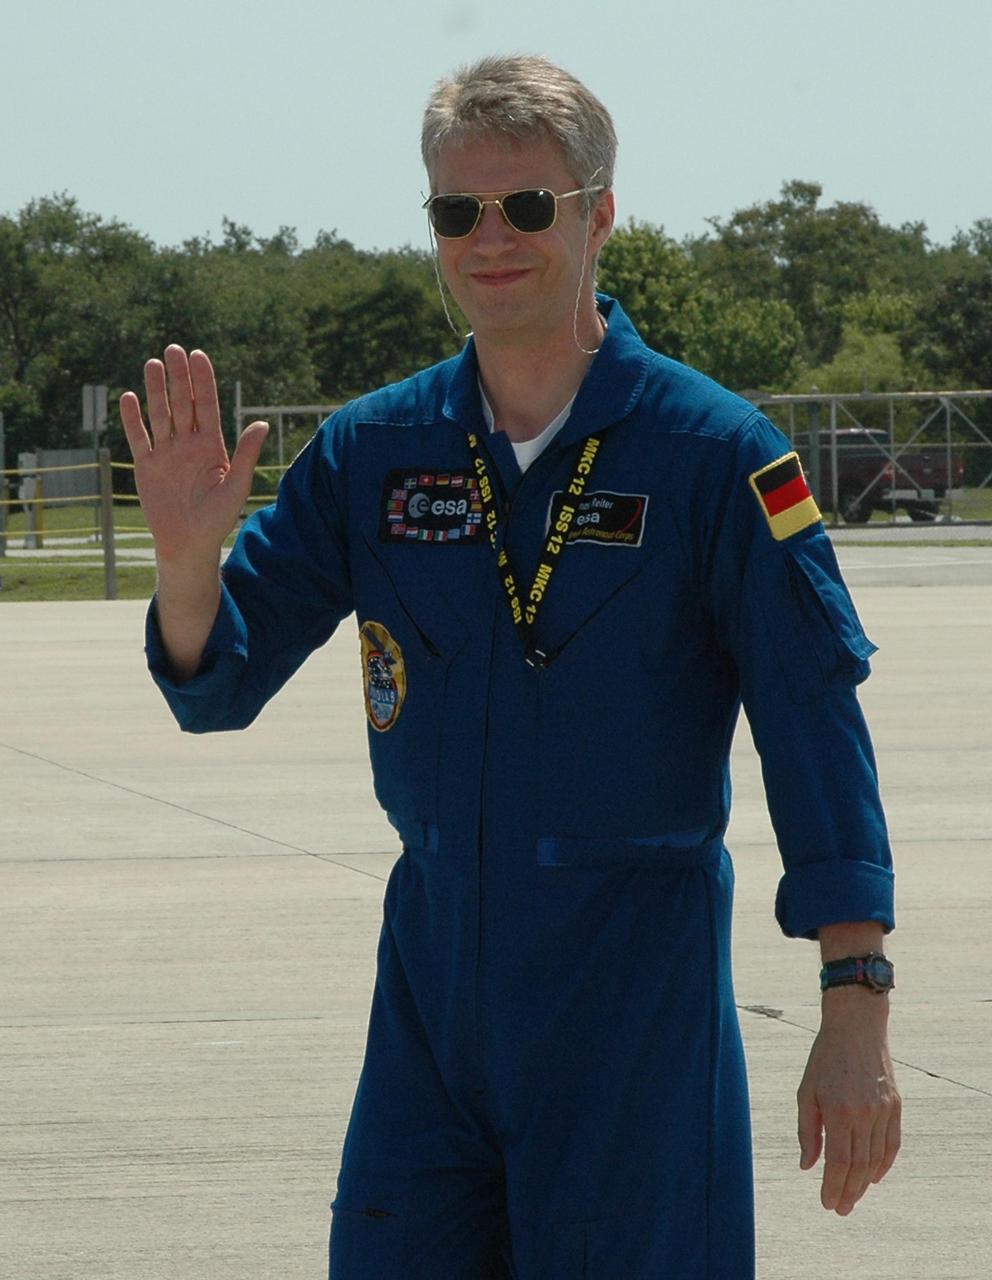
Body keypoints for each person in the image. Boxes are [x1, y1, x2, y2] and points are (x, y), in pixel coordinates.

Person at [120, 54, 900, 1280]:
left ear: (597, 214)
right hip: (431, 996)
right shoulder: (371, 453)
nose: (491, 239)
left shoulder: (717, 455)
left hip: (630, 999)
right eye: (456, 211)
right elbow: (214, 680)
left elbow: (815, 729)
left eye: (526, 206)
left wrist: (852, 999)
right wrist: (182, 562)